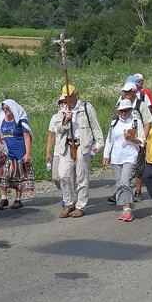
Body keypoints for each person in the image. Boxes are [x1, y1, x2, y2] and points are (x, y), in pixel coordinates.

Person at [48, 85, 104, 218]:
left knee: (81, 177)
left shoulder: (86, 108)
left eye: (70, 95)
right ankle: (69, 202)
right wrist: (66, 119)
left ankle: (80, 205)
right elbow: (58, 129)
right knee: (63, 175)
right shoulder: (62, 111)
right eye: (66, 96)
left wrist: (99, 144)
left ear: (76, 94)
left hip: (82, 145)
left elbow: (95, 126)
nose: (68, 99)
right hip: (67, 146)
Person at [102, 99, 145, 222]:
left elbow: (142, 141)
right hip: (116, 157)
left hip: (130, 156)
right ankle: (124, 206)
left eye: (126, 111)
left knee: (125, 181)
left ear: (131, 110)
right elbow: (110, 140)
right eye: (122, 111)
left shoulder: (136, 122)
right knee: (119, 183)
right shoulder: (114, 123)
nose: (124, 113)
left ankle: (127, 209)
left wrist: (132, 139)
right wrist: (106, 155)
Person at [0, 99, 34, 211]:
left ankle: (18, 199)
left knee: (18, 176)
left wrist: (27, 154)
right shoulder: (1, 120)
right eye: (4, 108)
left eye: (8, 108)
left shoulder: (20, 121)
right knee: (2, 176)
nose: (5, 110)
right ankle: (4, 198)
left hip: (18, 153)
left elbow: (27, 137)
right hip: (5, 154)